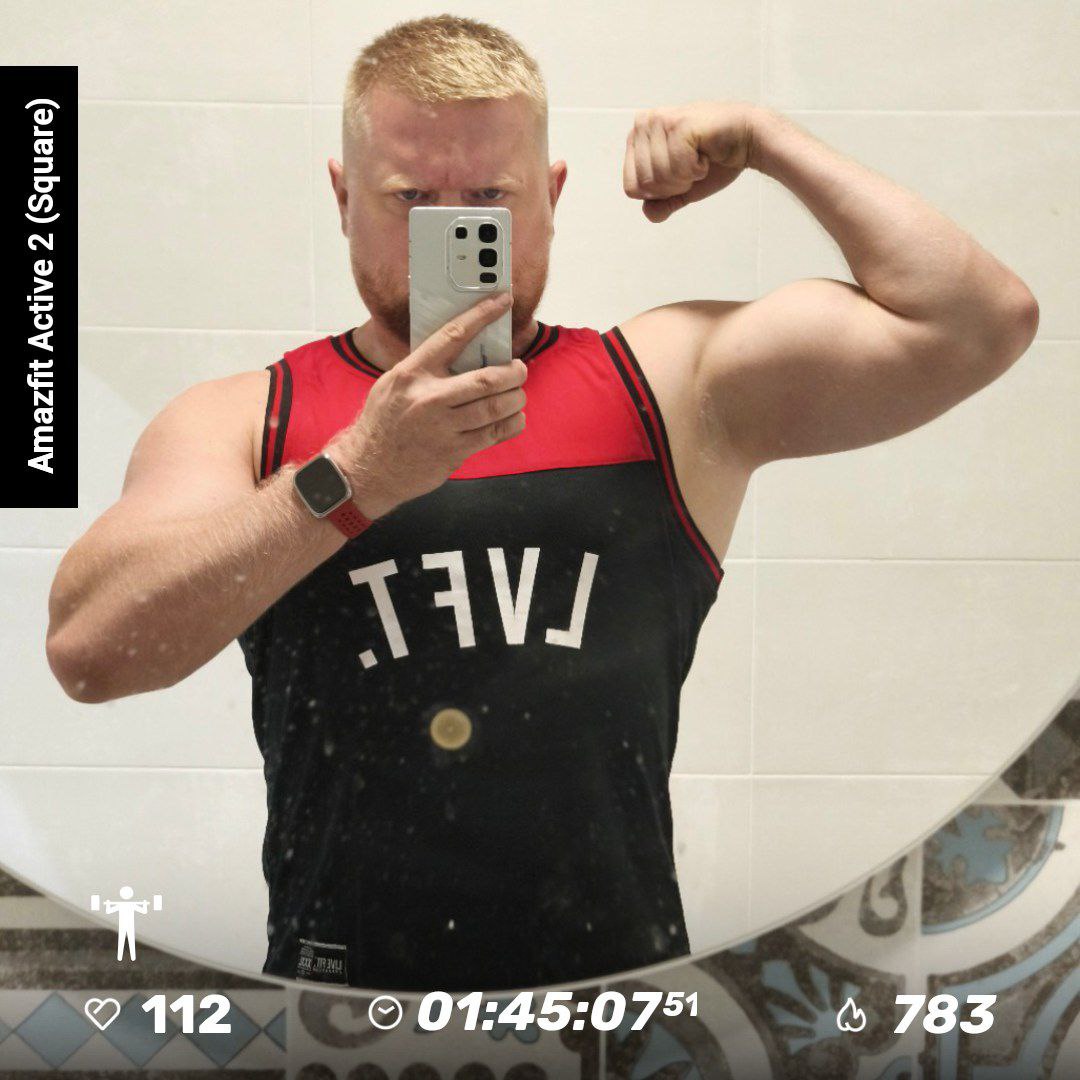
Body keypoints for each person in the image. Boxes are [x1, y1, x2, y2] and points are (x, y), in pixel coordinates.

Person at [44, 15, 1038, 992]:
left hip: (617, 1012)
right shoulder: (251, 419)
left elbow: (981, 320)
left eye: (489, 196)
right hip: (343, 1014)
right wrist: (355, 478)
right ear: (343, 200)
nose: (452, 232)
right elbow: (89, 650)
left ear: (552, 198)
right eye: (411, 198)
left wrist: (767, 139)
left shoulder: (666, 388)